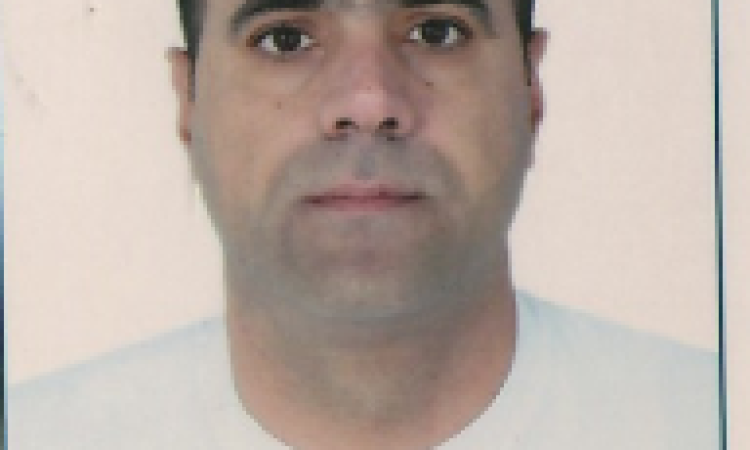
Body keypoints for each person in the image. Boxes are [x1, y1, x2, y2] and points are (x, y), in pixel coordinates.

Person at [9, 0, 718, 448]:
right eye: (285, 38)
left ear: (530, 90)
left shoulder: (709, 419)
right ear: (188, 100)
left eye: (437, 31)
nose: (370, 101)